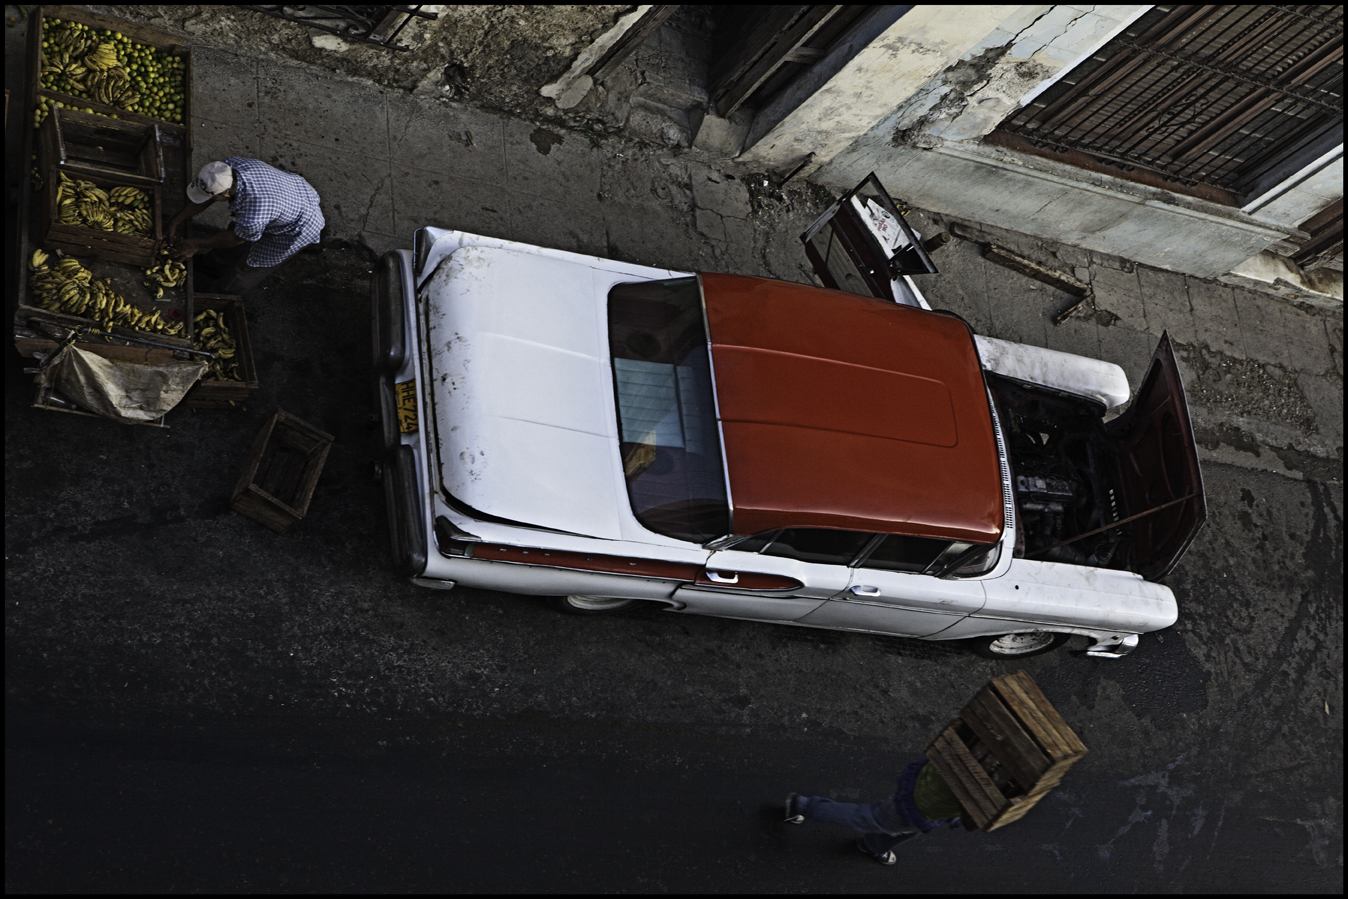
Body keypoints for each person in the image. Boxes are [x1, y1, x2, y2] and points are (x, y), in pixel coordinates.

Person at [166, 158, 324, 294]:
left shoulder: (255, 212)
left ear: (226, 195)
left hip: (301, 225)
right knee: (236, 233)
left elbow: (237, 238)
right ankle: (212, 266)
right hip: (290, 195)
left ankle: (219, 297)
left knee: (248, 268)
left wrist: (195, 244)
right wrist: (176, 220)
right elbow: (209, 197)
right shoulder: (228, 167)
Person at [784, 758, 968, 865]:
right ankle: (802, 806)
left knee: (908, 830)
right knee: (868, 817)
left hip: (925, 782)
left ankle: (874, 846)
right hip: (922, 806)